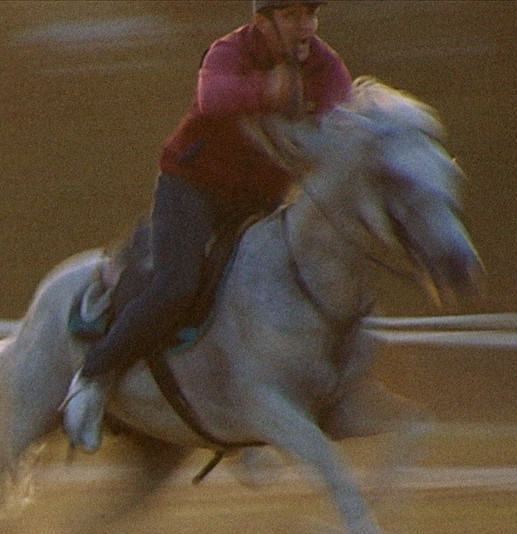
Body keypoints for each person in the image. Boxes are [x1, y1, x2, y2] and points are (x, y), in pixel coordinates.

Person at [60, 0, 353, 452]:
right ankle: (92, 378)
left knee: (277, 289)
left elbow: (343, 121)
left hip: (260, 200)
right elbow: (213, 99)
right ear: (264, 22)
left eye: (311, 16)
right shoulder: (228, 52)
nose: (307, 27)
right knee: (177, 284)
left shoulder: (326, 67)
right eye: (293, 16)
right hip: (191, 189)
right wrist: (269, 91)